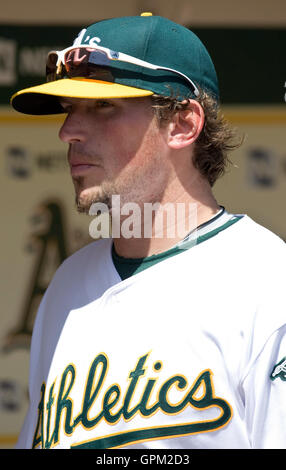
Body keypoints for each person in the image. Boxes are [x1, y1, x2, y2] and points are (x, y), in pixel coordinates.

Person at [11, 13, 286, 450]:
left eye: (103, 106)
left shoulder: (268, 282)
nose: (68, 132)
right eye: (69, 109)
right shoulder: (67, 285)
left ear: (182, 123)